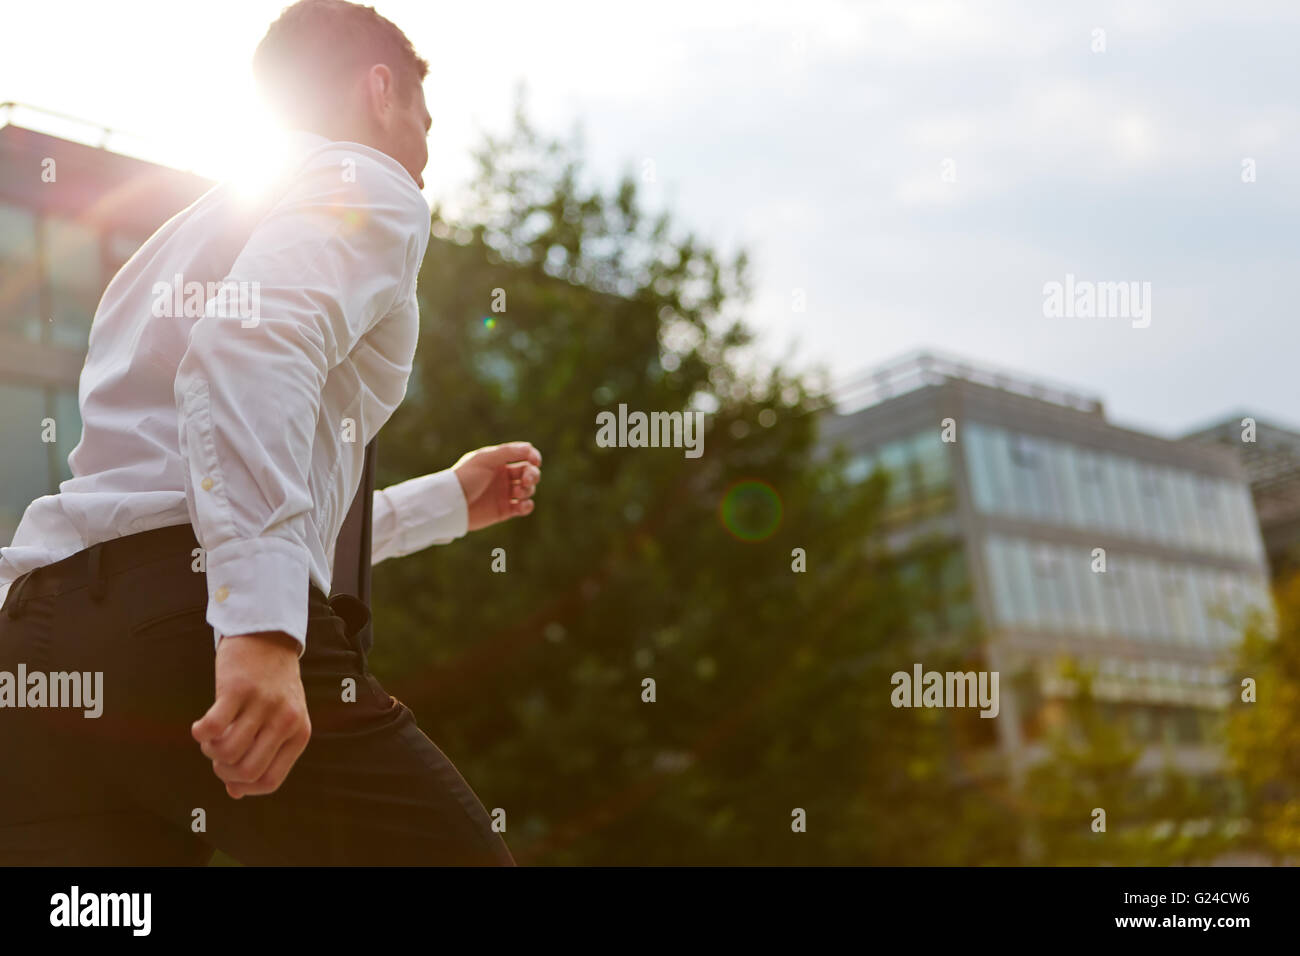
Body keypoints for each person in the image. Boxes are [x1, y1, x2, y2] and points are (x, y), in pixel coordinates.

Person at [0, 0, 535, 865]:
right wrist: (260, 627)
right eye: (425, 123)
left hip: (40, 640)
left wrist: (446, 503)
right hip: (187, 623)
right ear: (379, 88)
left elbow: (196, 478)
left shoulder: (167, 247)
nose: (428, 155)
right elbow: (249, 354)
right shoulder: (370, 182)